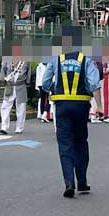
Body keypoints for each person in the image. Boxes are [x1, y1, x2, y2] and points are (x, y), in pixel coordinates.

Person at [42, 44, 101, 198]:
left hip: (62, 106)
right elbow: (94, 83)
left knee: (65, 144)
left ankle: (69, 183)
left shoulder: (56, 60)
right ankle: (82, 181)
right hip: (81, 105)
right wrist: (99, 106)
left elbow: (46, 82)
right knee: (81, 142)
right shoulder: (85, 60)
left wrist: (54, 90)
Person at [0, 59, 29, 134]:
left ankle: (19, 127)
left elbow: (28, 73)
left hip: (21, 85)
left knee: (21, 107)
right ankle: (4, 127)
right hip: (9, 86)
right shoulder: (7, 60)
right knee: (5, 106)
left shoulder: (26, 60)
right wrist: (2, 81)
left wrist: (28, 82)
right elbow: (3, 72)